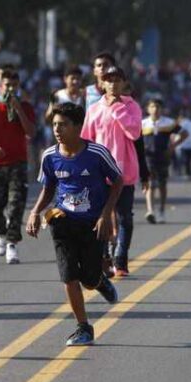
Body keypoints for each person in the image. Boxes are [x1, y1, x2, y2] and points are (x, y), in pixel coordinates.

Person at [27, 102, 122, 346]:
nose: (57, 129)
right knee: (68, 275)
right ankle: (83, 328)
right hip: (62, 221)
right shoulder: (49, 156)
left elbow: (118, 181)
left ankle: (99, 281)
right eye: (55, 125)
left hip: (92, 223)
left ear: (78, 127)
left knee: (89, 279)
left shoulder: (96, 154)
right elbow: (48, 188)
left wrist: (106, 214)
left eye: (63, 125)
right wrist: (35, 212)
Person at [81, 66, 142, 276]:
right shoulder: (94, 110)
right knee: (101, 216)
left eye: (117, 80)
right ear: (102, 84)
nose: (113, 84)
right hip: (100, 173)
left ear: (124, 83)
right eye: (109, 80)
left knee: (125, 217)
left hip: (124, 173)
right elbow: (86, 141)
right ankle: (105, 256)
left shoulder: (132, 106)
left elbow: (134, 133)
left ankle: (121, 259)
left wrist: (118, 109)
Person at [0, 68, 36, 264]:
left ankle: (12, 244)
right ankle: (0, 232)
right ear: (0, 86)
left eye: (13, 85)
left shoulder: (26, 106)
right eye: (6, 85)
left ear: (18, 86)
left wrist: (19, 109)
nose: (10, 89)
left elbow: (30, 132)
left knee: (16, 205)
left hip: (18, 163)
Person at [141, 98, 187, 223]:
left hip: (163, 156)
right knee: (149, 183)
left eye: (157, 107)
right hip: (148, 157)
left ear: (161, 109)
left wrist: (173, 146)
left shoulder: (169, 123)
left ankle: (161, 211)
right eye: (152, 107)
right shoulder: (143, 123)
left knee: (162, 184)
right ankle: (150, 210)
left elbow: (184, 133)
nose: (155, 109)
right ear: (148, 109)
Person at [176, 109, 191, 180]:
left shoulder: (187, 123)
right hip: (190, 145)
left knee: (188, 160)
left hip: (189, 145)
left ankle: (190, 174)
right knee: (190, 160)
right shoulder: (190, 123)